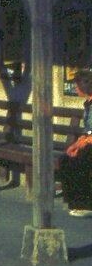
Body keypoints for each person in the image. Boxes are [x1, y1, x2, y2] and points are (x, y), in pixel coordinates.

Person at [61, 69, 92, 217]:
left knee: (82, 158)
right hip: (89, 142)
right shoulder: (88, 104)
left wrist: (83, 143)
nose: (74, 87)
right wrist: (77, 143)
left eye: (76, 85)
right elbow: (88, 130)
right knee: (66, 158)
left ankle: (85, 204)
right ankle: (73, 202)